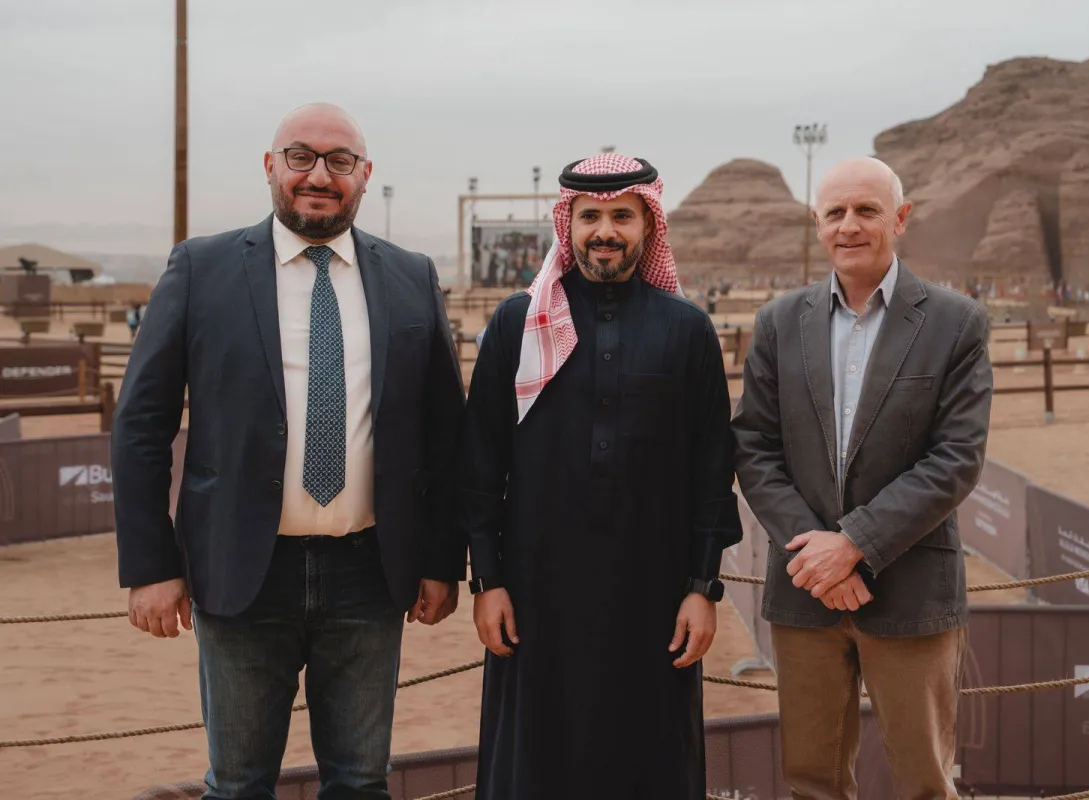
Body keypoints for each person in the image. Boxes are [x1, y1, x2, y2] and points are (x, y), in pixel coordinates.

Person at [111, 103, 465, 799]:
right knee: (238, 784)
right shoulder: (201, 268)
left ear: (365, 174)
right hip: (241, 572)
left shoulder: (411, 276)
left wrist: (440, 560)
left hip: (370, 575)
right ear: (271, 166)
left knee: (360, 783)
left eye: (340, 161)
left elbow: (445, 434)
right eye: (301, 156)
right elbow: (141, 424)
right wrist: (150, 566)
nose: (319, 176)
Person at [458, 153, 742, 799]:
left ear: (649, 225)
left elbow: (711, 473)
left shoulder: (688, 331)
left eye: (622, 216)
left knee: (650, 762)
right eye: (589, 216)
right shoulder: (517, 324)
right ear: (568, 224)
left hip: (655, 598)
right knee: (537, 764)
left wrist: (702, 587)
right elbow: (480, 464)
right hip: (536, 597)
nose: (604, 231)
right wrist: (488, 580)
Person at [732, 156, 992, 800]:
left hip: (910, 589)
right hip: (806, 593)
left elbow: (957, 457)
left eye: (867, 210)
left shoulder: (956, 322)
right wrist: (817, 556)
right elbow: (754, 446)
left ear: (900, 219)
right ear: (817, 223)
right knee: (812, 783)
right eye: (836, 212)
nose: (849, 225)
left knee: (924, 784)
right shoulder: (777, 323)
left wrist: (852, 545)